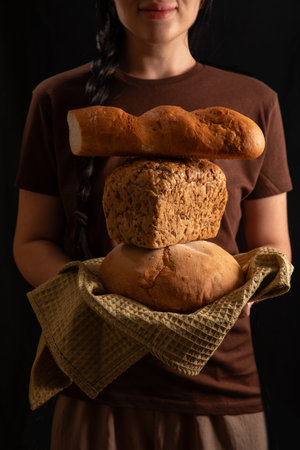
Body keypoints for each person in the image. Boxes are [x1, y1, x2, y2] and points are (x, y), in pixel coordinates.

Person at [13, 0, 292, 449]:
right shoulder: (61, 101)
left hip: (219, 388)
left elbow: (273, 247)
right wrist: (96, 300)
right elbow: (31, 241)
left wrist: (229, 306)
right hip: (97, 384)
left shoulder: (254, 103)